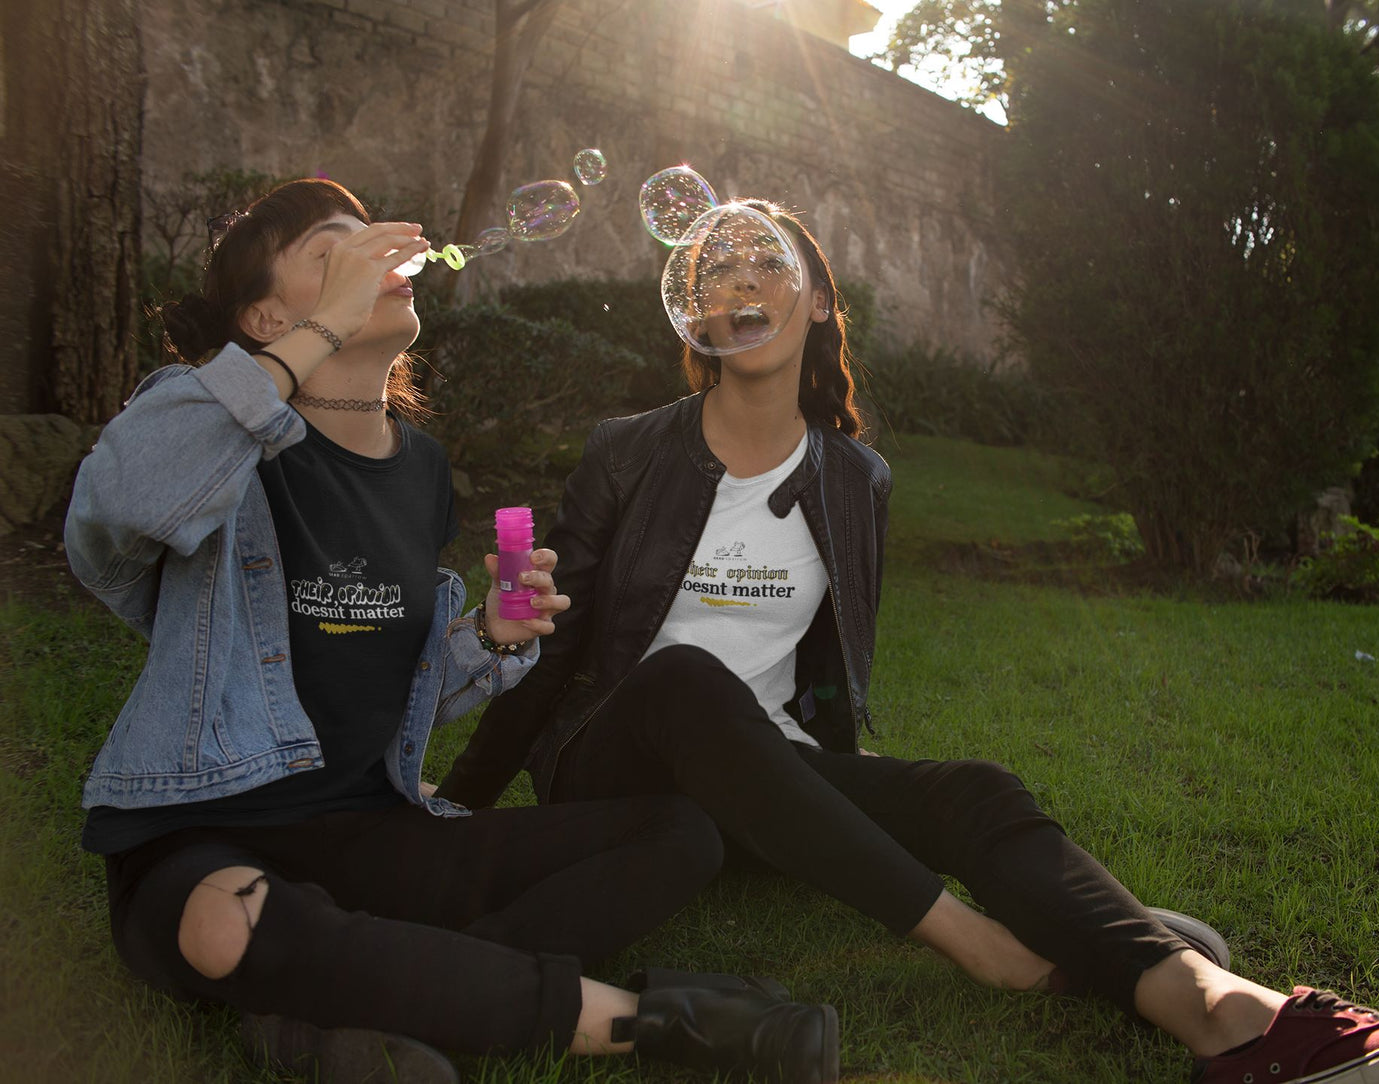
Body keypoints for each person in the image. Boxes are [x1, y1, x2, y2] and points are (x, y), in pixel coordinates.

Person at [436, 198, 1379, 1084]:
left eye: (767, 262)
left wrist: (839, 782)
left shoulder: (855, 479)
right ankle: (981, 944)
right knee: (686, 678)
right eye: (717, 271)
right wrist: (458, 808)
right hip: (617, 767)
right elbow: (551, 638)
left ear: (818, 305)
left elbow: (823, 668)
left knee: (975, 789)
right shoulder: (627, 449)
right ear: (693, 316)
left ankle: (1225, 1012)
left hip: (761, 781)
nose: (740, 279)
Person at [65, 179, 839, 1084]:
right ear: (267, 318)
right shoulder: (206, 431)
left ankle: (340, 999)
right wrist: (318, 333)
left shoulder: (419, 469)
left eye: (371, 245)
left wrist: (490, 637)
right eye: (333, 253)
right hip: (207, 832)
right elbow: (122, 504)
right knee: (224, 923)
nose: (376, 263)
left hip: (370, 831)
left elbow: (376, 685)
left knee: (679, 832)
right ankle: (663, 1023)